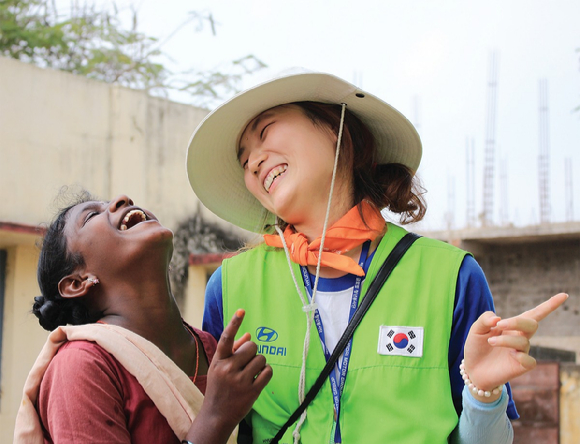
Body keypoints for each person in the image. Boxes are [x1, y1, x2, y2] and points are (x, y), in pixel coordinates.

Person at [185, 72, 568, 443]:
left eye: (266, 131)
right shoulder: (229, 287)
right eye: (244, 160)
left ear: (334, 129)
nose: (253, 161)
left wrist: (483, 393)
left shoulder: (452, 276)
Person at [14, 190, 272, 444]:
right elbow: (217, 418)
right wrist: (216, 417)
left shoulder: (212, 350)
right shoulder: (81, 366)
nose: (123, 199)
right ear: (77, 283)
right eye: (92, 215)